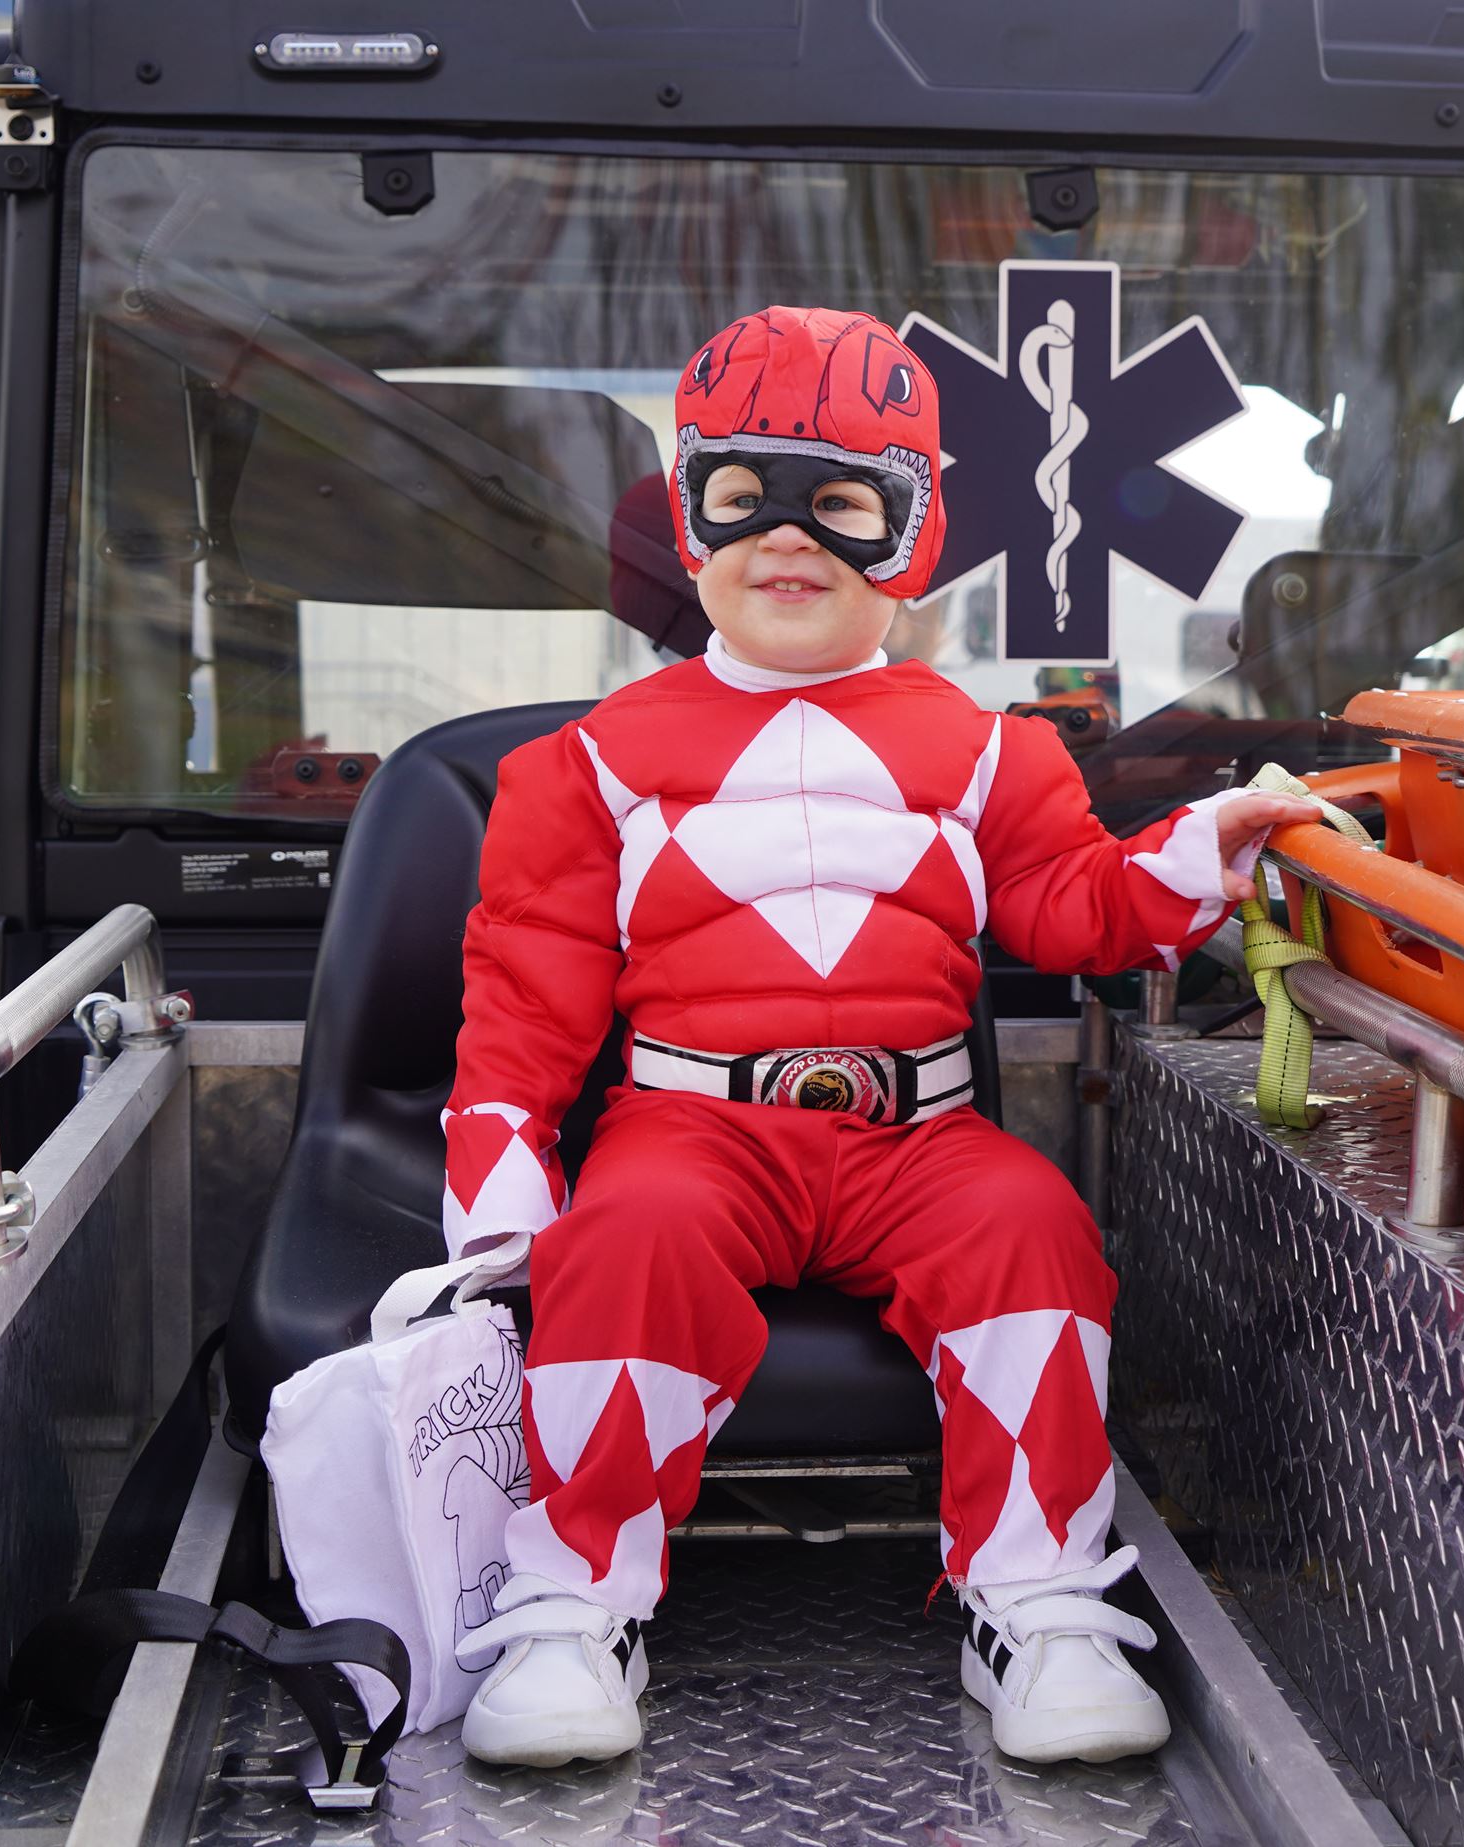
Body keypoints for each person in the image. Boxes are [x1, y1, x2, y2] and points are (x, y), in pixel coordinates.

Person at [443, 305, 1318, 1769]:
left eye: (842, 503)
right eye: (745, 497)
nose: (790, 540)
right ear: (689, 520)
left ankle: (1036, 1598)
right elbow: (527, 985)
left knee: (1034, 1227)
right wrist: (502, 1172)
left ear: (912, 536)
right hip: (689, 1129)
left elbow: (1071, 910)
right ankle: (572, 1605)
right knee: (625, 1244)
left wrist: (1192, 853)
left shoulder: (994, 753)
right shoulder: (584, 765)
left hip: (919, 1134)